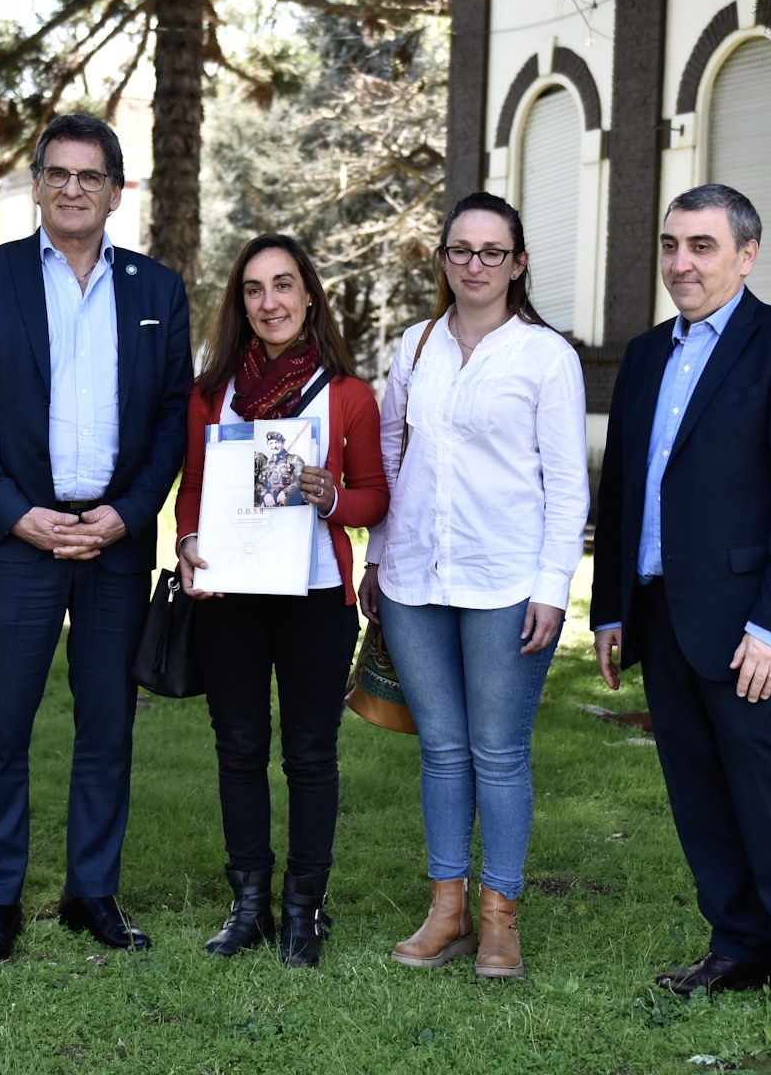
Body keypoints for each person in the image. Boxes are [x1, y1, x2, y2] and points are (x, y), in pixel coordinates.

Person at [591, 184, 771, 1030]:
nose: (680, 263)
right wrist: (611, 610)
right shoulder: (643, 355)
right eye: (671, 245)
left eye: (701, 246)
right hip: (664, 616)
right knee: (699, 795)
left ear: (746, 255)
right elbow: (624, 488)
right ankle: (739, 945)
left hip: (753, 627)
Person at [0, 114, 192, 965]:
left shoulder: (157, 292)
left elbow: (169, 420)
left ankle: (92, 892)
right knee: (0, 726)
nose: (74, 188)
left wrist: (131, 510)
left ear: (117, 191)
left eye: (91, 175)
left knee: (108, 724)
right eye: (59, 173)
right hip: (18, 542)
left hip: (116, 540)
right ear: (37, 184)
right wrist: (16, 512)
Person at [358, 192, 589, 979]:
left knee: (498, 753)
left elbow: (567, 483)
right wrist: (378, 557)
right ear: (444, 261)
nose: (476, 265)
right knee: (443, 753)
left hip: (507, 582)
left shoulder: (545, 357)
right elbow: (389, 458)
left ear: (519, 263)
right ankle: (447, 911)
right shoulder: (413, 347)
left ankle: (500, 920)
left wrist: (553, 586)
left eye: (493, 251)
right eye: (461, 250)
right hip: (416, 579)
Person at [174, 234, 389, 967]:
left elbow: (375, 497)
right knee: (237, 750)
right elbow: (195, 489)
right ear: (241, 303)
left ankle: (305, 908)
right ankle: (249, 905)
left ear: (309, 296)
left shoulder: (348, 395)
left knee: (309, 755)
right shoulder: (212, 394)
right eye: (255, 289)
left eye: (284, 286)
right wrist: (187, 542)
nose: (270, 302)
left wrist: (334, 497)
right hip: (231, 593)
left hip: (313, 596)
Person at [254, 429, 306, 508]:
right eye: (270, 443)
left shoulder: (294, 459)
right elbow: (259, 484)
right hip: (271, 507)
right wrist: (265, 494)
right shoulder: (267, 464)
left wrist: (285, 492)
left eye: (277, 442)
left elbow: (301, 479)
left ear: (283, 443)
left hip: (291, 505)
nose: (274, 446)